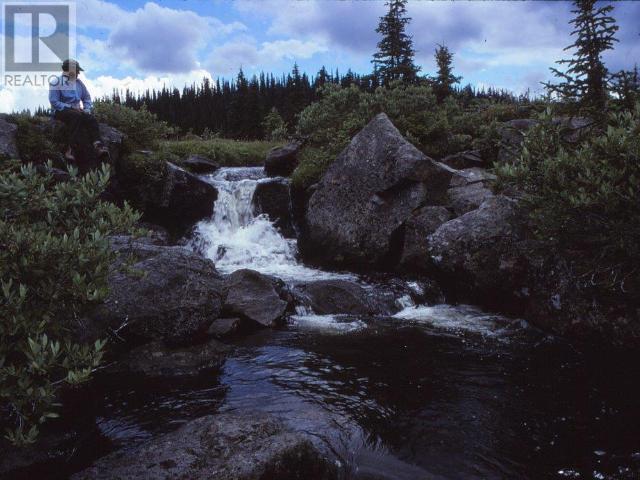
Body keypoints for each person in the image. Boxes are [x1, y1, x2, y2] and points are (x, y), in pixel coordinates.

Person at [48, 59, 108, 164]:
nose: (78, 73)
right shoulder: (56, 82)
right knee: (75, 117)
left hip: (77, 111)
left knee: (90, 118)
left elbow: (87, 98)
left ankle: (98, 146)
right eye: (77, 70)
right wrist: (71, 107)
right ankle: (69, 150)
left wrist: (87, 109)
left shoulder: (79, 83)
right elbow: (54, 102)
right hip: (60, 111)